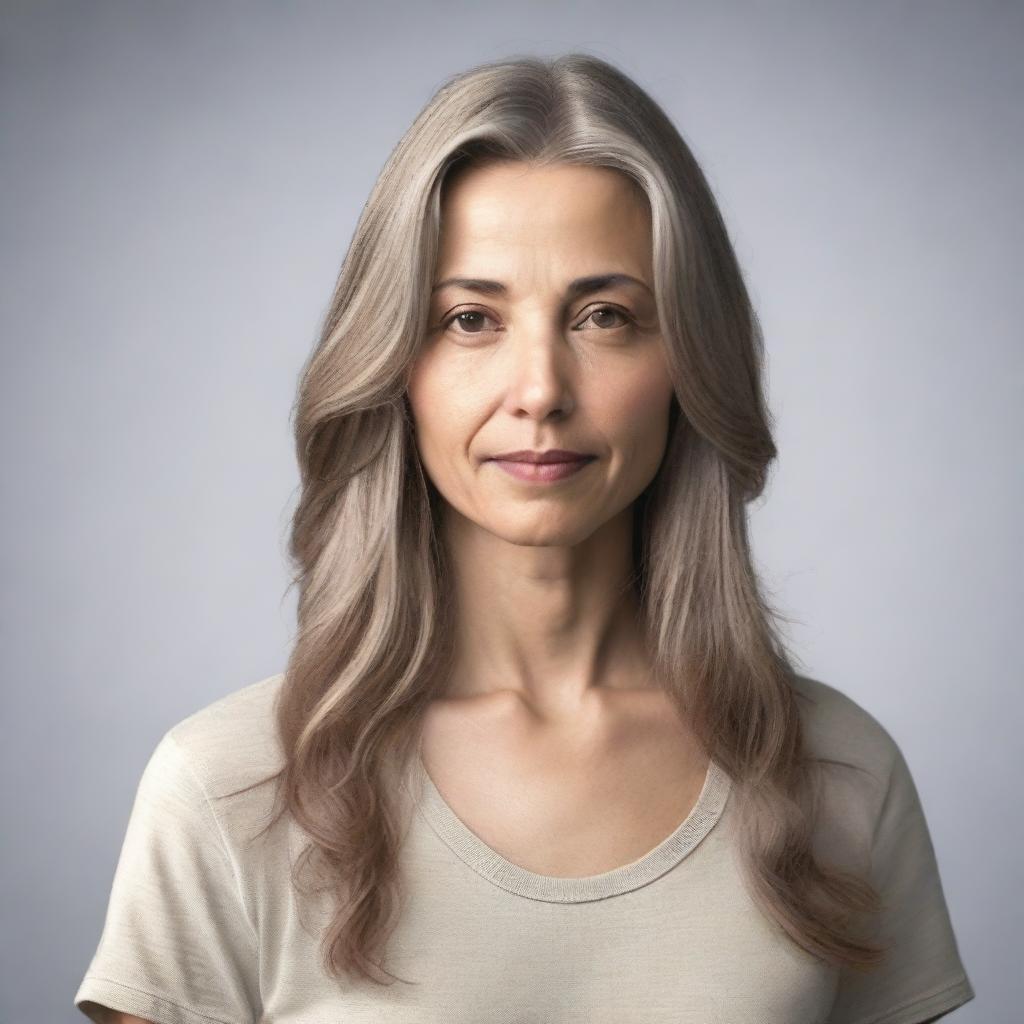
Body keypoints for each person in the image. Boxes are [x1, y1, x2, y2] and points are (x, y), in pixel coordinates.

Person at [73, 53, 975, 1023]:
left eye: (604, 316)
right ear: (393, 366)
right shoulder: (227, 790)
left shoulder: (840, 774)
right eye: (470, 318)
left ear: (687, 363)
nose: (539, 388)